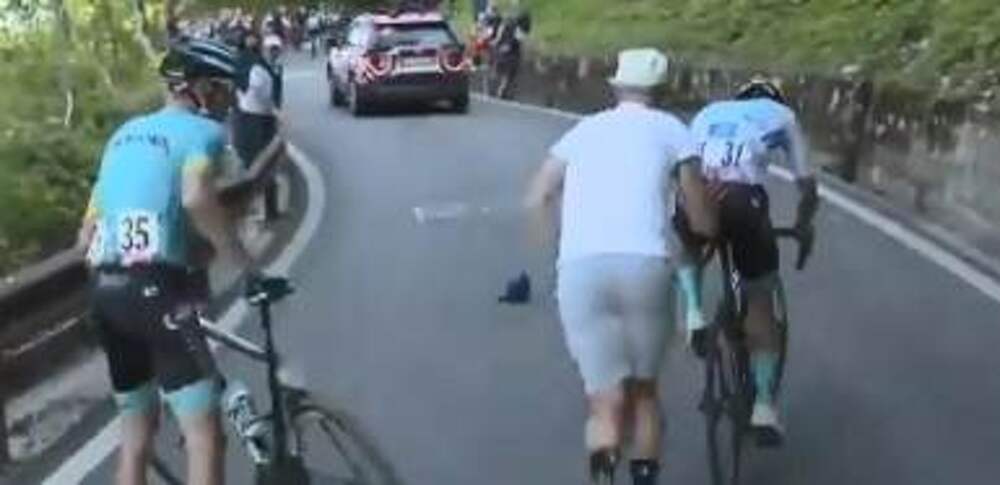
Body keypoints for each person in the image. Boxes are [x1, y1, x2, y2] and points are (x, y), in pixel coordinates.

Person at [75, 38, 284, 485]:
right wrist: (246, 266)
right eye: (223, 89)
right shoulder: (202, 134)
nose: (229, 100)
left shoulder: (121, 137)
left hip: (106, 292)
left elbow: (86, 236)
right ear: (200, 89)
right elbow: (195, 198)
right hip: (157, 292)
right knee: (204, 436)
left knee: (136, 434)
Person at [525, 48, 718, 485]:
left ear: (616, 87)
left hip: (580, 269)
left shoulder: (584, 130)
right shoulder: (673, 129)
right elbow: (699, 211)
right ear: (663, 90)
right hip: (644, 265)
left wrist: (555, 246)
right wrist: (708, 231)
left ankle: (604, 470)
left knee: (604, 402)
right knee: (644, 392)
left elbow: (538, 195)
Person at [676, 76, 819, 446]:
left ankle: (693, 312)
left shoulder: (709, 112)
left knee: (689, 245)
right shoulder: (782, 116)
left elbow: (685, 165)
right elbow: (806, 183)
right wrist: (803, 224)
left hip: (697, 195)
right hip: (742, 201)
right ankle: (764, 407)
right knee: (759, 297)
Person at [234, 30, 283, 221]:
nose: (273, 52)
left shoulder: (266, 66)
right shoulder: (254, 66)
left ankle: (266, 209)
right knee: (259, 163)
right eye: (270, 49)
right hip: (253, 118)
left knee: (260, 163)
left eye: (275, 50)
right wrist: (274, 108)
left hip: (255, 117)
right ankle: (258, 208)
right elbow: (258, 91)